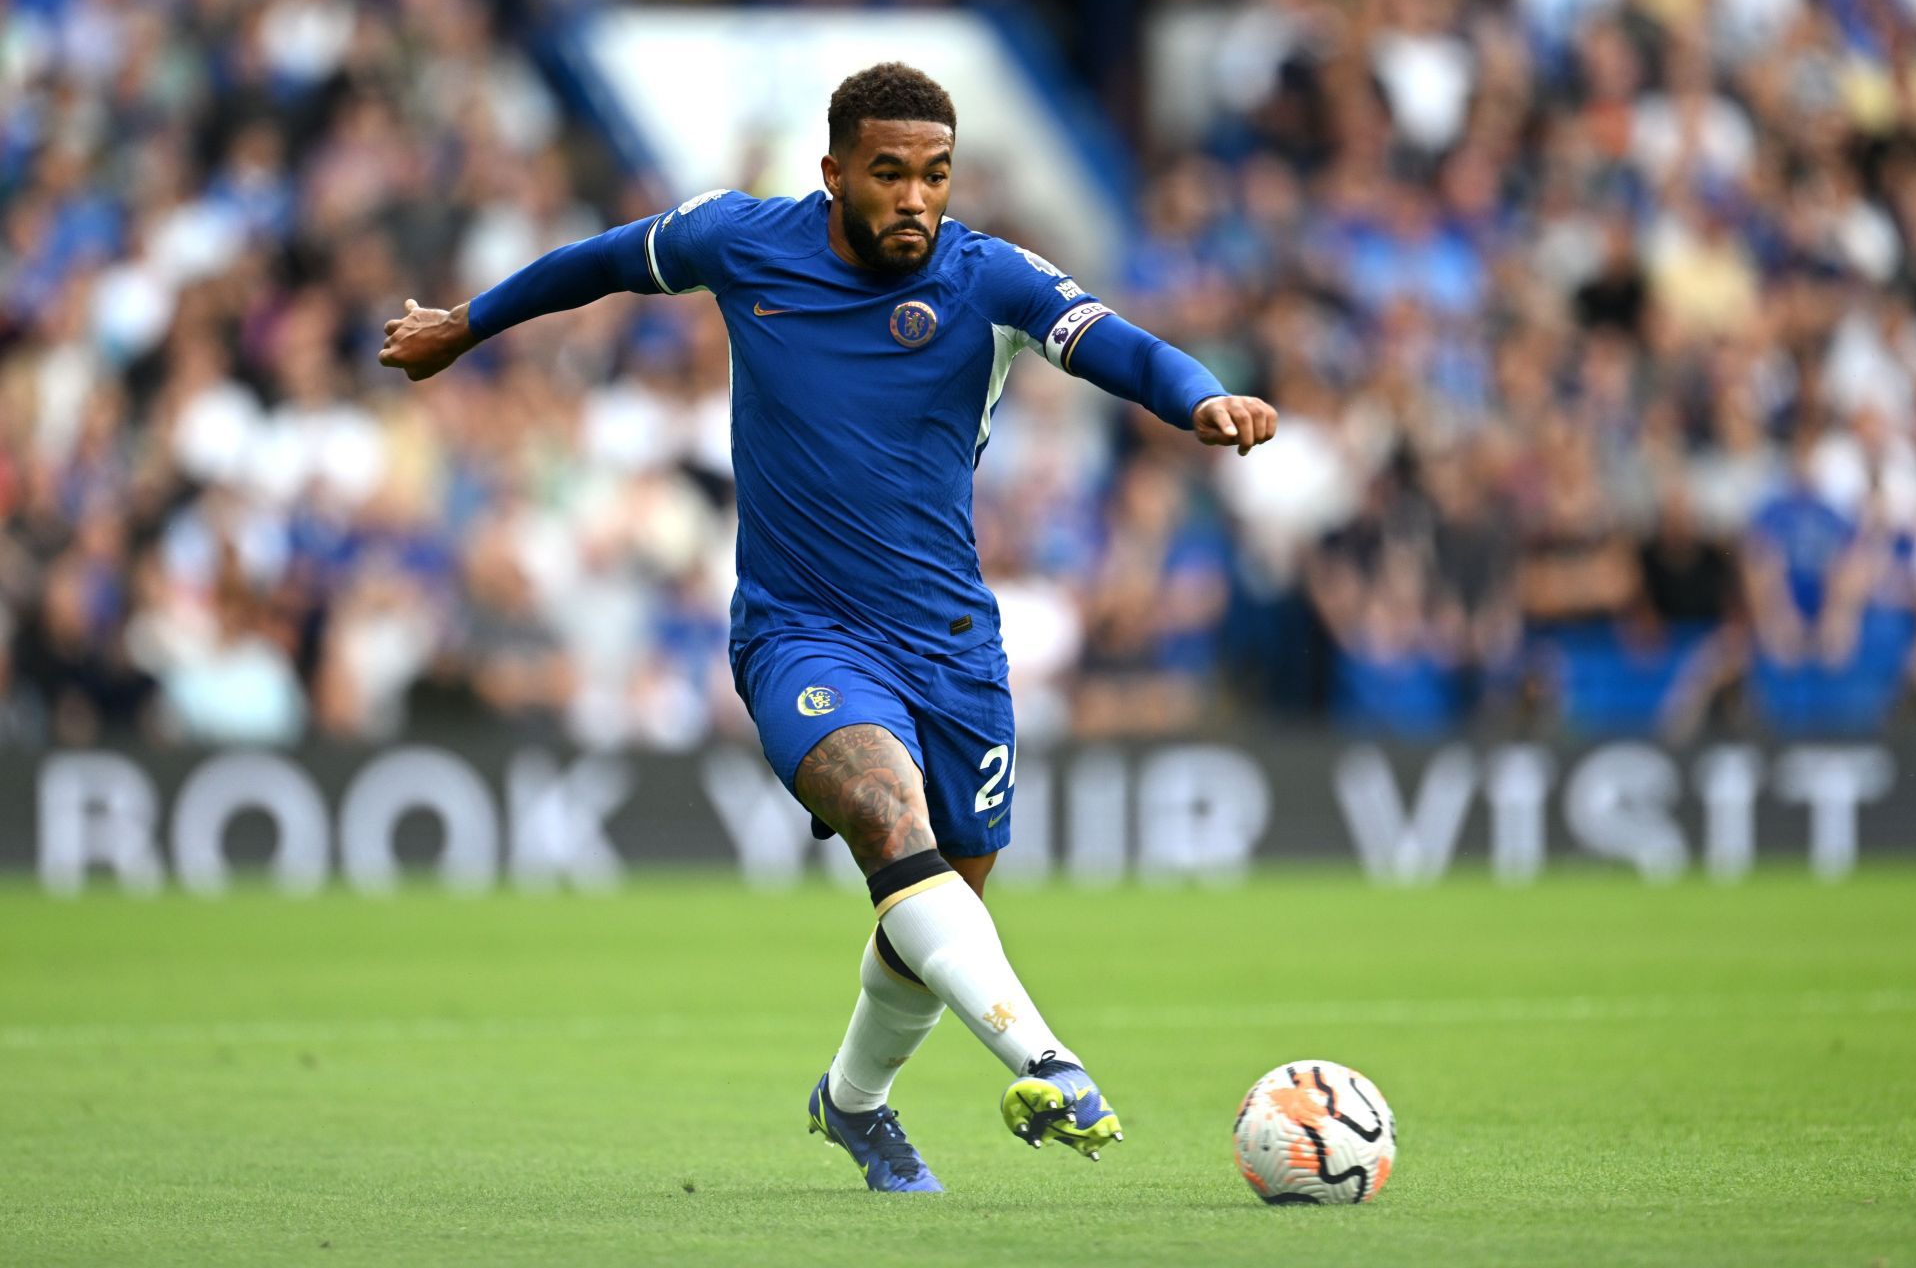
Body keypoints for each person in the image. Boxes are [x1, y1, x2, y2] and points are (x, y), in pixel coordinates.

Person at [378, 62, 1277, 1193]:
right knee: (888, 816)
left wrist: (1200, 396)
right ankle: (1049, 1059)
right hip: (801, 630)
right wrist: (467, 325)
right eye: (891, 173)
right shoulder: (744, 242)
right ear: (835, 172)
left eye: (936, 176)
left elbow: (1119, 344)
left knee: (935, 900)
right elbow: (601, 261)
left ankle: (853, 1105)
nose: (915, 198)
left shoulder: (987, 275)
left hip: (952, 644)